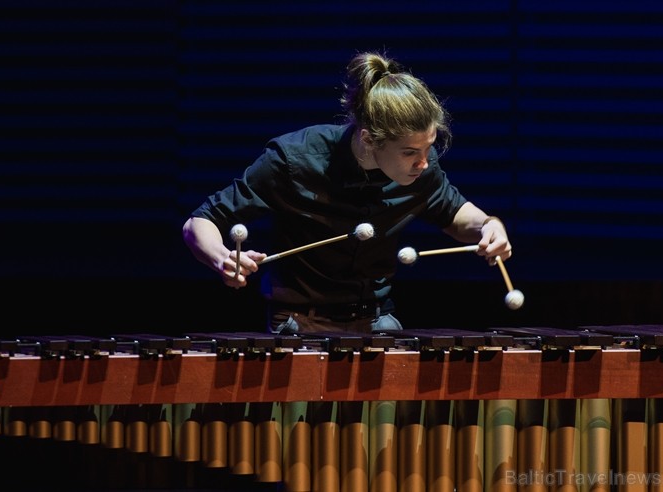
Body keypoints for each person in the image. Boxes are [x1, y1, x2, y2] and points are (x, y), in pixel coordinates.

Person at [182, 50, 513, 335]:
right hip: (298, 324)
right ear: (369, 139)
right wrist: (223, 257)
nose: (423, 162)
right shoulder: (293, 160)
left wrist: (489, 226)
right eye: (410, 152)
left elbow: (456, 214)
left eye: (428, 147)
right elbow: (201, 221)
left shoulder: (421, 171)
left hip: (376, 322)